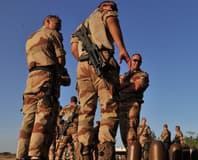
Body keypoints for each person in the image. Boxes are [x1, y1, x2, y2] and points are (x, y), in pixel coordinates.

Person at [70, 1, 131, 160]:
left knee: (85, 111)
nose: (113, 9)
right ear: (101, 7)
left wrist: (84, 61)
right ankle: (105, 153)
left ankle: (82, 153)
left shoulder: (80, 25)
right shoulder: (106, 14)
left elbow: (74, 49)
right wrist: (122, 48)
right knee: (109, 107)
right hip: (102, 61)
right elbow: (112, 22)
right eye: (110, 6)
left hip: (82, 66)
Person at [16, 15, 69, 160]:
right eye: (57, 24)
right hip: (46, 79)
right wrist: (61, 74)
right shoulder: (53, 34)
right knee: (43, 119)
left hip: (31, 80)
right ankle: (36, 156)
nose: (60, 28)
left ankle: (21, 155)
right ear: (47, 22)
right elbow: (61, 60)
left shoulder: (30, 38)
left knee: (28, 119)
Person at [119, 53, 149, 148]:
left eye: (139, 61)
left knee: (131, 136)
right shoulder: (123, 76)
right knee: (123, 136)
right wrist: (127, 86)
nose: (137, 63)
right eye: (135, 60)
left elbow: (136, 87)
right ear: (130, 61)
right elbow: (114, 88)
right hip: (121, 106)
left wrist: (121, 88)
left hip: (133, 105)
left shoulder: (143, 74)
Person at [55, 96, 79, 160]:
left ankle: (57, 158)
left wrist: (61, 125)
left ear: (70, 101)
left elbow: (59, 116)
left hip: (66, 129)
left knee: (61, 147)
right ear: (76, 101)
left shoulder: (66, 107)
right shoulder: (79, 107)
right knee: (77, 146)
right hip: (75, 128)